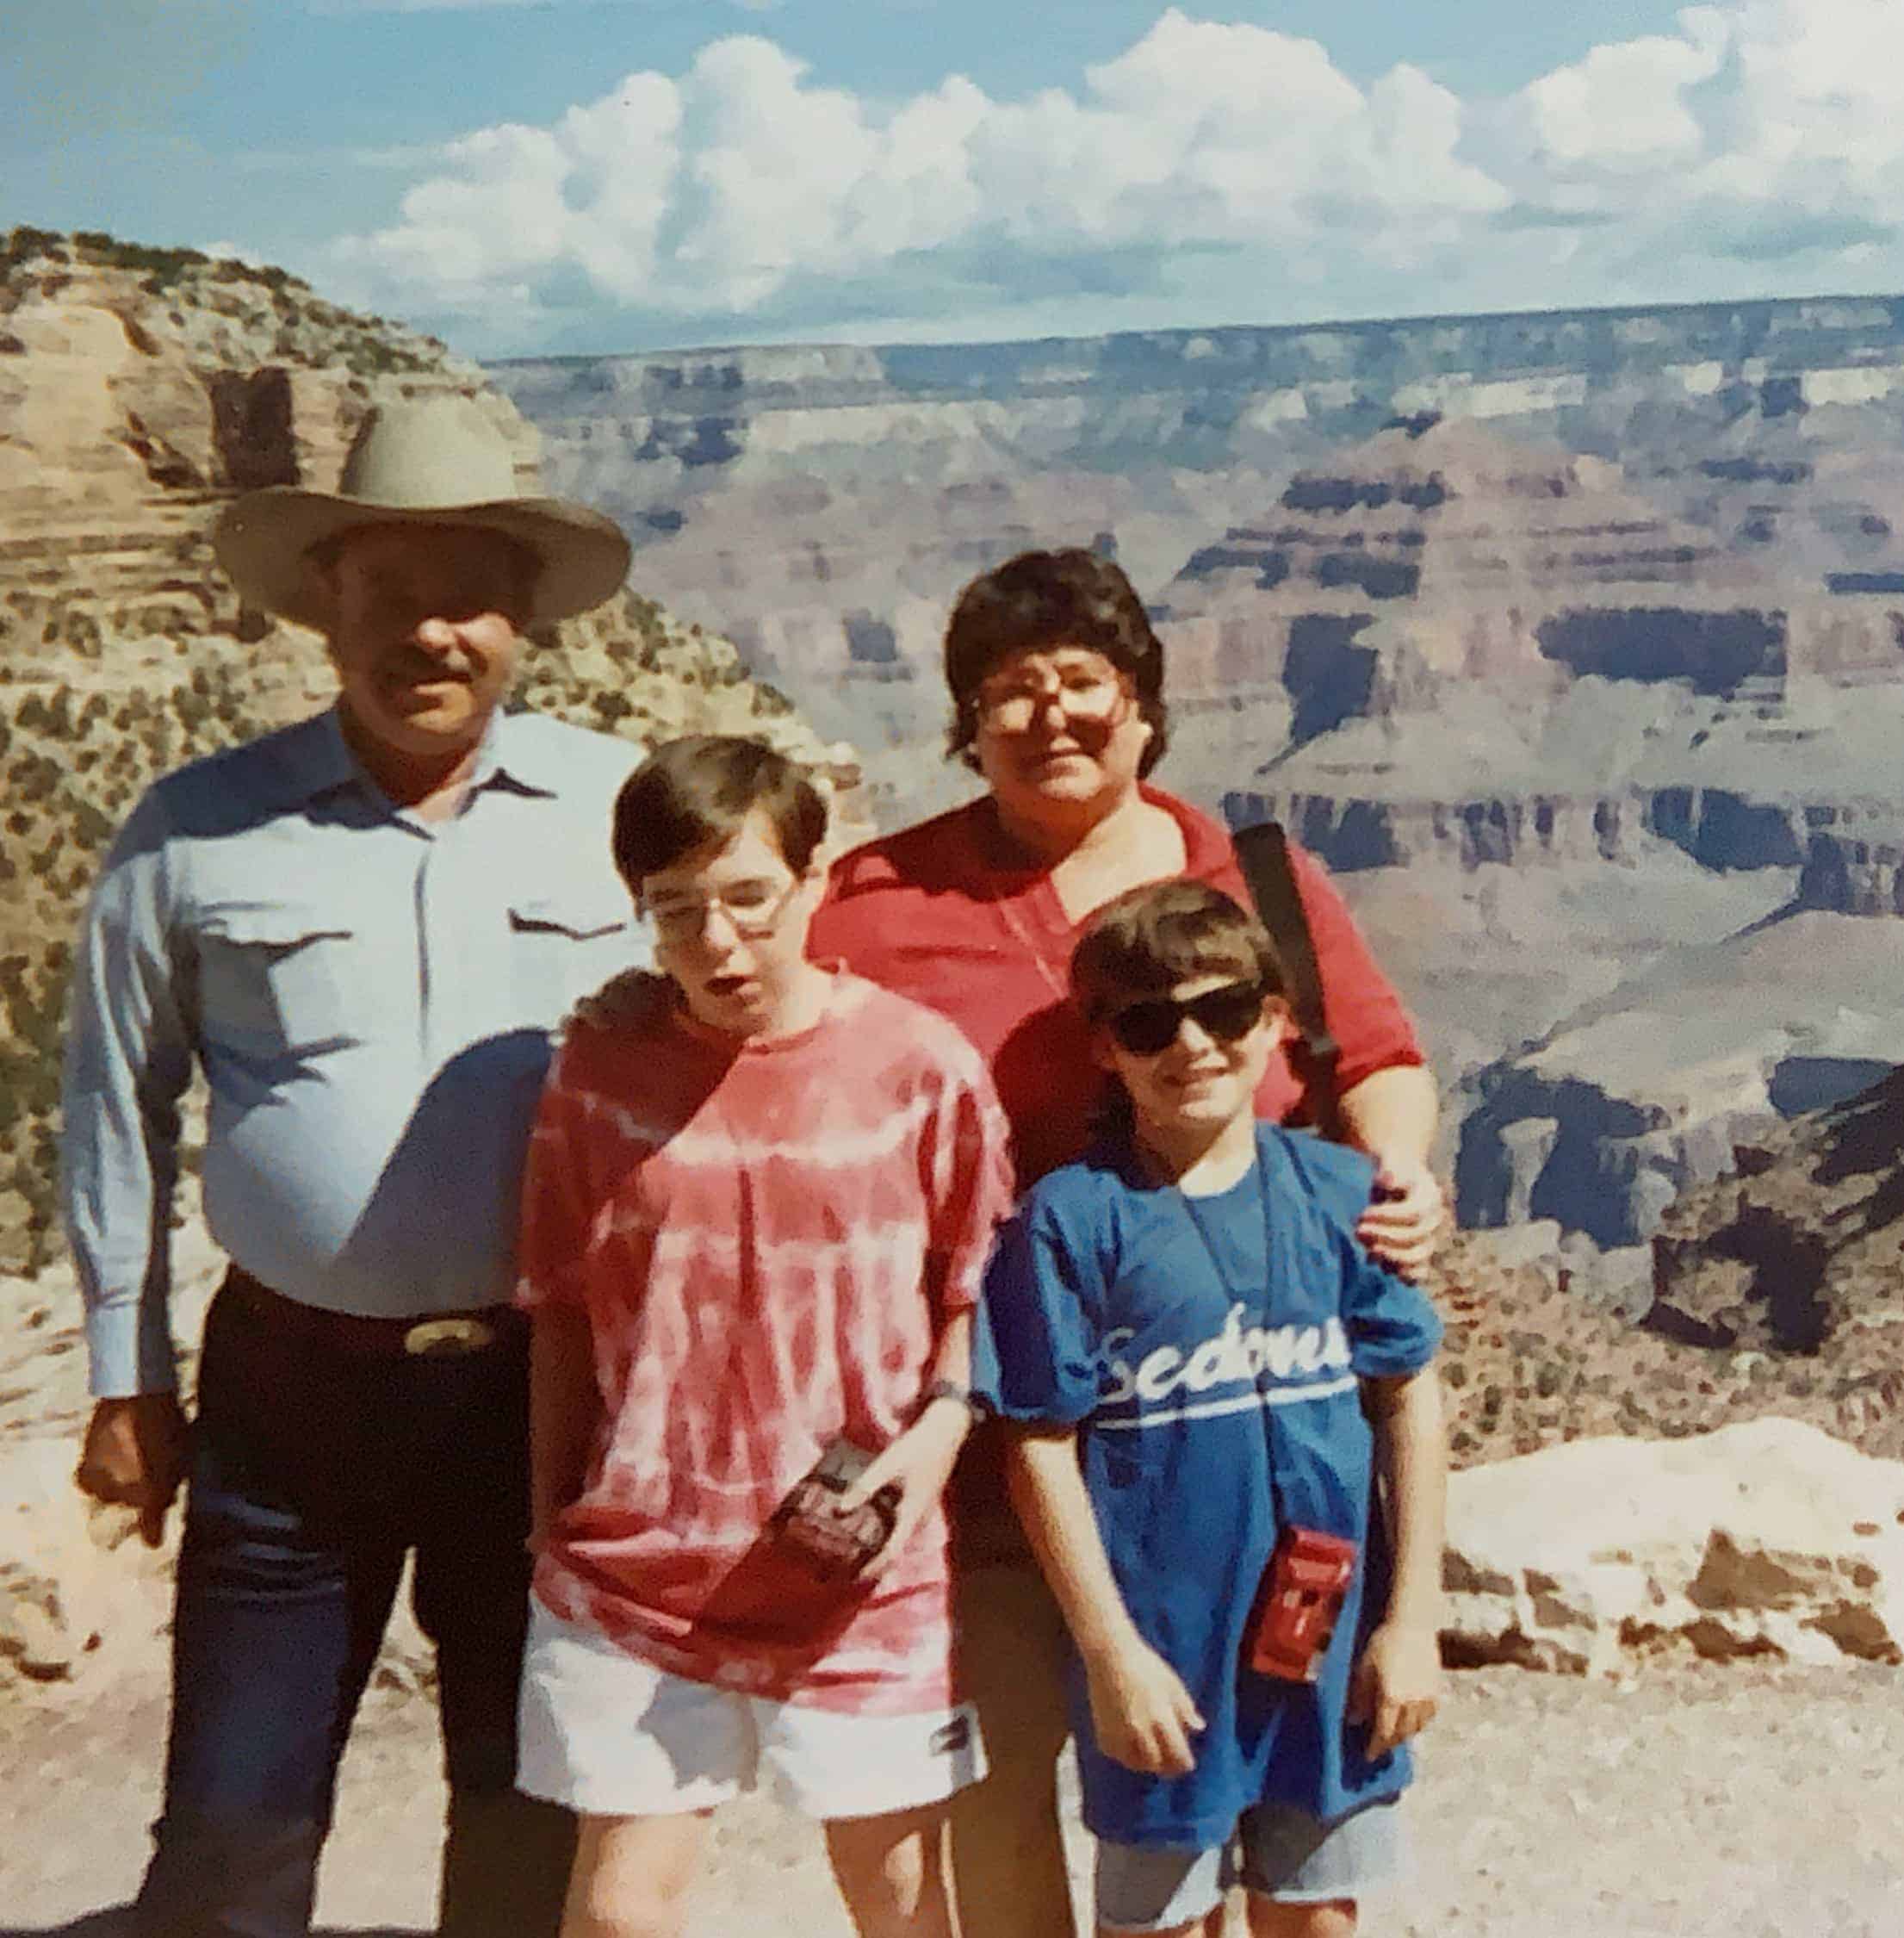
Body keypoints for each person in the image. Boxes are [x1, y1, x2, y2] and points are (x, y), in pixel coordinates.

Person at [797, 548, 1449, 1938]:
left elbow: (1372, 1053)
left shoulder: (1252, 875)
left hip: (1229, 1435)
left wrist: (1399, 1173)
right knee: (1013, 1791)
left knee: (1267, 1810)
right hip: (989, 1426)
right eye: (1006, 692)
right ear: (965, 726)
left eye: (1081, 682)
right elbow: (770, 1042)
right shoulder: (875, 900)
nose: (1048, 715)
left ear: (1144, 706)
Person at [59, 395, 646, 1936]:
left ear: (521, 618)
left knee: (528, 1795)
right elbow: (114, 1095)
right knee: (235, 1817)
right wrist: (129, 1378)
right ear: (330, 605)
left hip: (545, 1385)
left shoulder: (620, 811)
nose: (431, 635)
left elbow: (730, 1059)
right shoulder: (192, 835)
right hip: (293, 1394)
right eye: (392, 594)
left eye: (468, 598)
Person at [516, 736, 1012, 1938]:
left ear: (815, 878)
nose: (717, 941)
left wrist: (936, 1442)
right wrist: (548, 1511)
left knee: (898, 1900)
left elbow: (976, 1290)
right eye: (676, 909)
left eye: (748, 897)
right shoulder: (601, 1072)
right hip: (641, 1560)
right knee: (623, 1911)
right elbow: (564, 1306)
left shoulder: (917, 1067)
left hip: (855, 1563)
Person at [978, 881, 1446, 1938]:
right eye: (1150, 1024)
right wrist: (1110, 1655)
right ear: (1105, 1049)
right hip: (1165, 1656)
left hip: (1328, 1651)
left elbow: (1411, 1392)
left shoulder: (1339, 1193)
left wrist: (1411, 1619)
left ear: (1277, 1020)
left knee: (1318, 1912)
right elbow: (1040, 1444)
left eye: (1226, 1013)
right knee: (1160, 1923)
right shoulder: (1071, 1222)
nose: (1192, 1045)